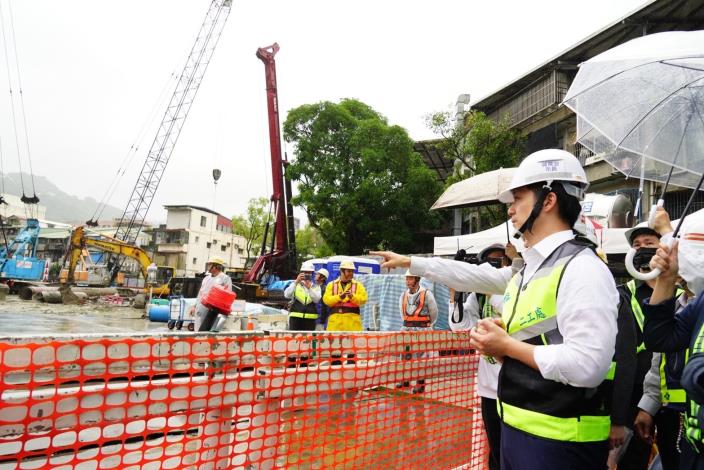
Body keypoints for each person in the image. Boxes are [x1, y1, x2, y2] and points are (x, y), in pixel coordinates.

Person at [372, 149, 619, 469]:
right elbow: (530, 330)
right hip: (520, 428)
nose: (511, 210)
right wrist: (504, 337)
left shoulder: (582, 268)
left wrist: (507, 346)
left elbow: (588, 365)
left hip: (561, 444)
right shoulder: (528, 271)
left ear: (548, 200)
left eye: (518, 198)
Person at [643, 217, 704, 470]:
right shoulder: (701, 303)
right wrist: (666, 280)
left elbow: (697, 377)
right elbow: (661, 338)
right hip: (694, 449)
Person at [449, 243, 513, 470]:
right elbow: (460, 326)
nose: (494, 268)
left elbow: (511, 314)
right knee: (495, 448)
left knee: (513, 450)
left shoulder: (518, 287)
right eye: (489, 264)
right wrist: (455, 290)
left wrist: (491, 289)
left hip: (515, 385)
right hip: (488, 387)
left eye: (498, 262)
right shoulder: (479, 296)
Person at [398, 270, 438, 394]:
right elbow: (402, 313)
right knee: (405, 356)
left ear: (417, 279)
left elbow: (434, 313)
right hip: (407, 330)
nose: (407, 281)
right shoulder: (403, 295)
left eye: (410, 278)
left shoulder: (426, 294)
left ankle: (420, 384)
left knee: (421, 358)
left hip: (422, 330)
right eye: (407, 279)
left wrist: (426, 326)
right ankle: (405, 380)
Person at [323, 260, 368, 331]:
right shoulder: (331, 285)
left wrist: (352, 297)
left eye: (352, 271)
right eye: (349, 271)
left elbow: (363, 299)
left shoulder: (358, 285)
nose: (351, 273)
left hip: (352, 324)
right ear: (342, 271)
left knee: (352, 342)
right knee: (334, 342)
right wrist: (339, 297)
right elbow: (326, 300)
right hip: (335, 324)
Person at [194, 257, 232, 331]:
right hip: (201, 308)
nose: (208, 266)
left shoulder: (225, 278)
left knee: (211, 330)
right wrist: (195, 306)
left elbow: (228, 294)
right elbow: (200, 293)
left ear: (215, 266)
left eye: (209, 265)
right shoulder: (206, 278)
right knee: (198, 330)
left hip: (214, 310)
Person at [284, 262, 321, 331]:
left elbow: (316, 300)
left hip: (310, 319)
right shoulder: (295, 284)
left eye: (309, 273)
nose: (307, 274)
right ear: (301, 273)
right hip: (295, 318)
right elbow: (287, 295)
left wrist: (310, 288)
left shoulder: (316, 286)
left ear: (312, 274)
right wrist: (296, 282)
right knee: (295, 340)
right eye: (305, 272)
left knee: (308, 340)